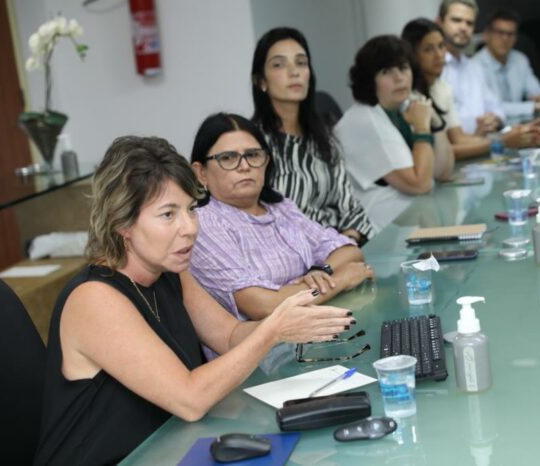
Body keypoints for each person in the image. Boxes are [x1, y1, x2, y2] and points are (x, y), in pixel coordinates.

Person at [33, 136, 354, 465]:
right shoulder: (95, 299)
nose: (189, 228)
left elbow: (229, 336)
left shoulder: (169, 272)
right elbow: (189, 398)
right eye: (168, 215)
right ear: (123, 224)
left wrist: (288, 324)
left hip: (168, 451)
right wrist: (271, 330)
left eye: (190, 210)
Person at [189, 113, 374, 334]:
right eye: (228, 158)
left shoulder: (280, 207)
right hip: (265, 358)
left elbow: (349, 251)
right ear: (201, 173)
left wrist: (321, 270)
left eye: (253, 155)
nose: (244, 166)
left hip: (316, 331)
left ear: (266, 161)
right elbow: (264, 306)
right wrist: (340, 280)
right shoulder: (204, 224)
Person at [251, 27, 374, 245]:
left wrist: (346, 243)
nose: (294, 72)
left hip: (340, 249)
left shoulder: (323, 136)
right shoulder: (252, 145)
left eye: (301, 63)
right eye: (279, 64)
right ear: (261, 80)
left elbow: (351, 207)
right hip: (289, 259)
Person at [335, 35, 455, 230]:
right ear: (369, 81)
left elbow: (444, 172)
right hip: (379, 234)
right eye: (386, 72)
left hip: (407, 221)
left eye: (403, 68)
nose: (399, 77)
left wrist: (435, 121)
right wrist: (422, 129)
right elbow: (420, 184)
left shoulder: (399, 109)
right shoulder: (364, 120)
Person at [401, 17, 540, 159]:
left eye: (441, 46)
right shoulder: (410, 97)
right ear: (413, 54)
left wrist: (514, 135)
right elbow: (442, 153)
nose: (439, 55)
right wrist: (502, 141)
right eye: (428, 49)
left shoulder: (441, 87)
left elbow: (459, 138)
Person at [473, 9, 540, 118]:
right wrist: (535, 106)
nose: (505, 39)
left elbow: (536, 91)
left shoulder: (520, 59)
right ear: (486, 35)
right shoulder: (475, 66)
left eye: (510, 34)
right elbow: (492, 107)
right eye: (500, 33)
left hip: (520, 123)